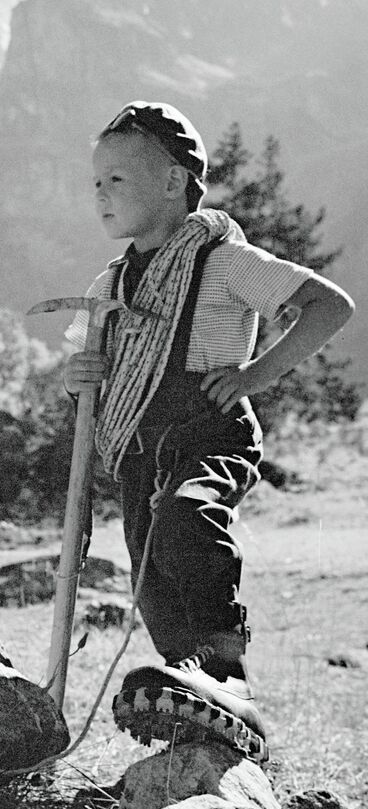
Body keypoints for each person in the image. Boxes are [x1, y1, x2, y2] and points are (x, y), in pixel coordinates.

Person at [63, 101, 354, 761]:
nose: (102, 195)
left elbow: (327, 305)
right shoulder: (108, 284)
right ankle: (196, 695)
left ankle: (228, 678)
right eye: (96, 182)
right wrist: (84, 378)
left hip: (209, 434)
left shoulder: (222, 261)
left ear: (173, 183)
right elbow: (97, 377)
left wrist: (257, 373)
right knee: (151, 581)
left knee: (188, 520)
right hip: (141, 451)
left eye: (119, 179)